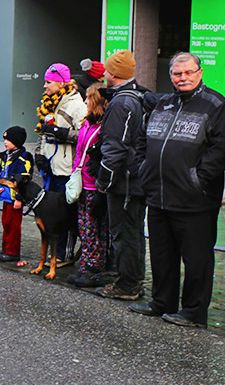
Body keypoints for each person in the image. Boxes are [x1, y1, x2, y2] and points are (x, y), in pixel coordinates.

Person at [129, 52, 225, 328]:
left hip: (195, 199)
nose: (183, 78)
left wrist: (198, 179)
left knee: (197, 259)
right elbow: (143, 139)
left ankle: (193, 312)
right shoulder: (163, 104)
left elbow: (221, 149)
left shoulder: (217, 105)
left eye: (188, 72)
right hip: (158, 194)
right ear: (171, 77)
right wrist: (144, 169)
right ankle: (162, 302)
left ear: (200, 72)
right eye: (177, 74)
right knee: (162, 254)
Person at [94, 50, 149, 301]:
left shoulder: (121, 102)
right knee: (134, 232)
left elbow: (115, 146)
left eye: (107, 70)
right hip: (135, 178)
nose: (104, 74)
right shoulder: (138, 96)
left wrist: (104, 181)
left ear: (114, 74)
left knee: (124, 233)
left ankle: (127, 285)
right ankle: (133, 281)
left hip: (124, 181)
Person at [34, 62, 86, 265]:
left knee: (66, 213)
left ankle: (65, 253)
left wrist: (63, 134)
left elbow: (84, 135)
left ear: (61, 83)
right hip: (51, 166)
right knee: (52, 212)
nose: (45, 86)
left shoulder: (76, 105)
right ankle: (57, 251)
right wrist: (39, 154)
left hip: (66, 169)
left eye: (48, 82)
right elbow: (42, 130)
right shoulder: (48, 103)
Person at [65, 84, 108, 288]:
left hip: (94, 184)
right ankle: (85, 265)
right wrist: (75, 172)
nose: (84, 102)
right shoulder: (86, 124)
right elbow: (79, 151)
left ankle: (94, 267)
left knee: (93, 229)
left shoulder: (102, 127)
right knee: (84, 227)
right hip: (82, 182)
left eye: (88, 98)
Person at [0, 126, 33, 263]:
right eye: (5, 139)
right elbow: (0, 171)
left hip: (14, 197)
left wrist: (19, 198)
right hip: (5, 195)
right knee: (6, 222)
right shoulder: (6, 155)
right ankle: (5, 248)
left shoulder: (23, 159)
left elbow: (23, 180)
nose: (5, 142)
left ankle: (12, 251)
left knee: (13, 225)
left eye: (8, 140)